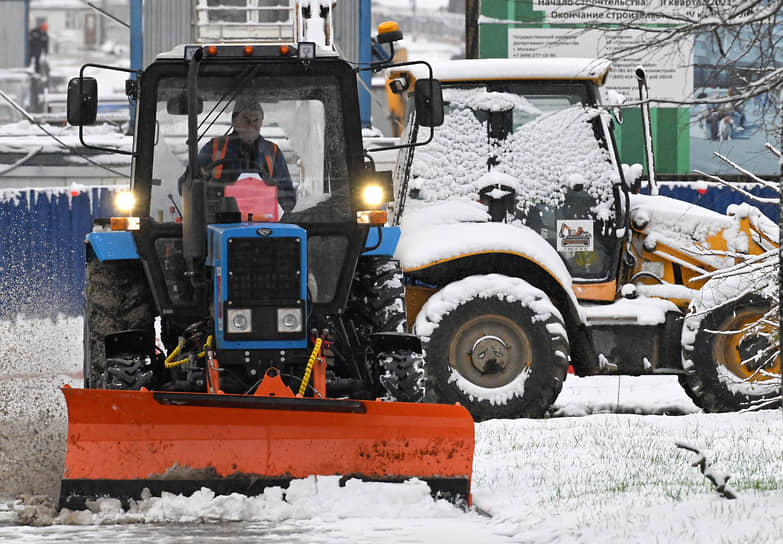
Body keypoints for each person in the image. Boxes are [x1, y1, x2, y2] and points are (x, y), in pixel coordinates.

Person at [198, 98, 296, 213]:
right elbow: (186, 185)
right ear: (234, 121)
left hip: (264, 224)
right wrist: (205, 181)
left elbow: (289, 199)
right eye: (246, 119)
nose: (251, 124)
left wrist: (272, 189)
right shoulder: (214, 148)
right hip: (221, 221)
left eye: (256, 120)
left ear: (261, 123)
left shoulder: (272, 152)